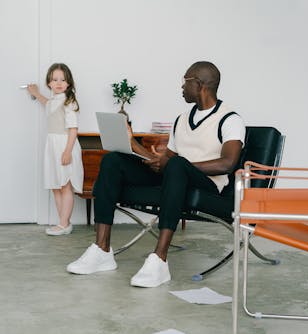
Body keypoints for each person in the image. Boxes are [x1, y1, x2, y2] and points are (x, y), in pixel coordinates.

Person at [67, 61, 245, 288]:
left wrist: (178, 165)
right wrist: (133, 144)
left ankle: (160, 260)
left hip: (207, 186)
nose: (181, 87)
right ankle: (102, 250)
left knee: (178, 165)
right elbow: (166, 161)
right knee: (113, 160)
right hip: (175, 177)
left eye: (185, 82)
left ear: (199, 84)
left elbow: (227, 163)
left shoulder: (230, 119)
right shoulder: (182, 119)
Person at [27, 63, 84, 236]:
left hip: (65, 145)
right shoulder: (53, 101)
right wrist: (36, 93)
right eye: (55, 79)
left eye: (63, 80)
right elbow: (47, 103)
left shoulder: (69, 102)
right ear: (49, 83)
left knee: (65, 185)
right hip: (52, 145)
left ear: (69, 83)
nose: (59, 83)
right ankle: (63, 222)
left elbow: (73, 129)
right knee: (55, 185)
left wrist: (67, 152)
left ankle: (63, 223)